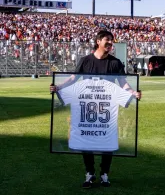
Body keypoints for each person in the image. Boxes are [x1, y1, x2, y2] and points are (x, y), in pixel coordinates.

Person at [50, 30, 142, 188]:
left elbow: (122, 82)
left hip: (107, 108)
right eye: (107, 39)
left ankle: (105, 173)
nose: (110, 43)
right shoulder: (85, 60)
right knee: (86, 139)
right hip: (87, 108)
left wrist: (133, 92)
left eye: (112, 40)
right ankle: (90, 173)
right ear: (98, 41)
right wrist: (58, 87)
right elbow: (73, 78)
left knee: (107, 138)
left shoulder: (115, 63)